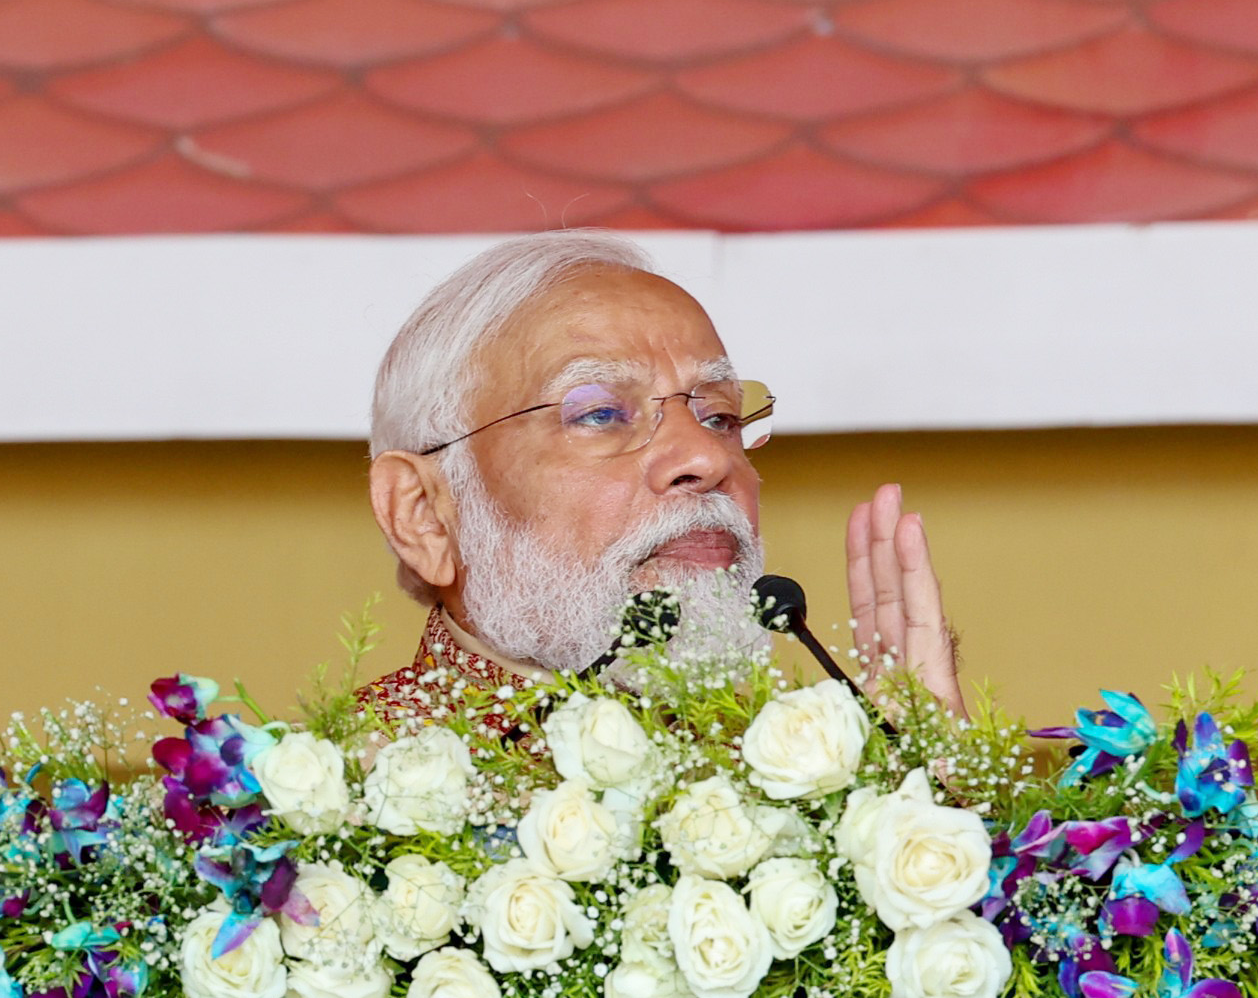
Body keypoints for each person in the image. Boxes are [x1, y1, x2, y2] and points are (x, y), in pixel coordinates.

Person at [364, 232, 963, 720]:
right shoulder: (317, 819)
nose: (707, 458)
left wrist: (914, 807)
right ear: (424, 514)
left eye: (721, 417)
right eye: (600, 415)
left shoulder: (820, 780)